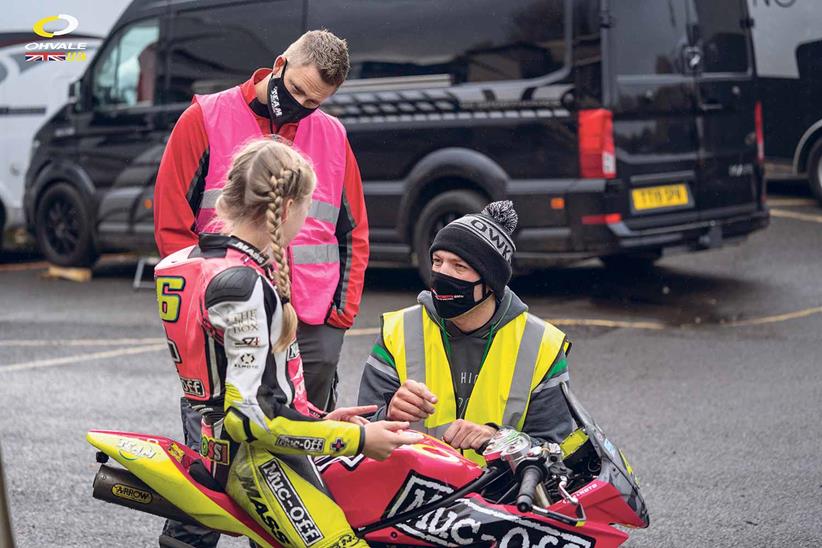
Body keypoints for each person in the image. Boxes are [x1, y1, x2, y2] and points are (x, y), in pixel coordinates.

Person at [154, 138, 418, 547]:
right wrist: (360, 440)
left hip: (220, 445)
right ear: (289, 206)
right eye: (309, 204)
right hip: (257, 459)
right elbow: (252, 419)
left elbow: (245, 385)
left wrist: (319, 417)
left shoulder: (202, 260)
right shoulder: (244, 285)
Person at [154, 29, 368, 412]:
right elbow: (172, 222)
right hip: (228, 304)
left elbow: (353, 230)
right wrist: (200, 298)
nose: (300, 105)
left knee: (309, 435)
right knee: (229, 420)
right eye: (297, 91)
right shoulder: (202, 119)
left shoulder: (333, 135)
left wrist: (341, 314)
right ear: (280, 64)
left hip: (314, 315)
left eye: (313, 102)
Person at [357, 201, 575, 464]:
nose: (441, 274)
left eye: (459, 266)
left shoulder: (543, 345)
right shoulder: (398, 331)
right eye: (437, 261)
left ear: (490, 282)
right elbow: (362, 429)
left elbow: (555, 449)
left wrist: (498, 438)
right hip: (413, 496)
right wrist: (389, 413)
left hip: (501, 498)